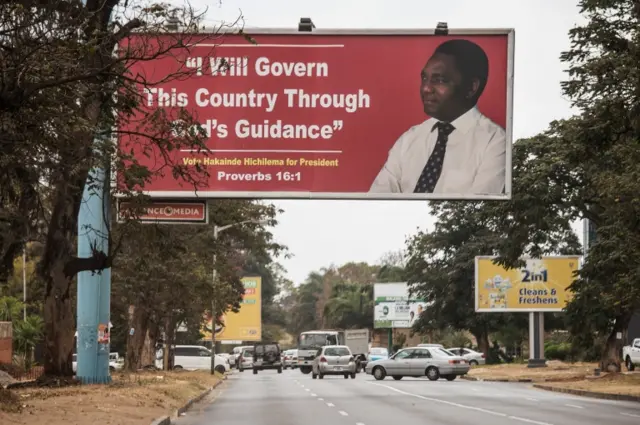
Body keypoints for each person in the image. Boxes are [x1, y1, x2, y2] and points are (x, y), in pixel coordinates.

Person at [369, 39, 506, 195]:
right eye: (424, 78)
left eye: (439, 80)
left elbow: (478, 209)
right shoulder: (409, 139)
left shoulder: (495, 143)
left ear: (471, 87)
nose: (426, 88)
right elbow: (377, 199)